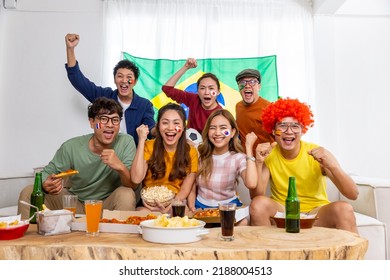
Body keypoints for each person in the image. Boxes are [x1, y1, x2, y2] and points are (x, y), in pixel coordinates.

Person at [250, 97, 358, 233]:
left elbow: (353, 194)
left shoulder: (318, 152)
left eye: (295, 126)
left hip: (316, 213)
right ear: (273, 130)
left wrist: (332, 166)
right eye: (282, 125)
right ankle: (267, 252)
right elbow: (256, 197)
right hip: (284, 213)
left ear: (303, 130)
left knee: (344, 209)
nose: (289, 131)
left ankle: (351, 254)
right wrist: (258, 163)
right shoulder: (269, 154)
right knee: (258, 203)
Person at [18, 97, 138, 219]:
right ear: (92, 122)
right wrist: (45, 184)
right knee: (28, 192)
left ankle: (120, 238)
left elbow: (132, 186)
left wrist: (120, 167)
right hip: (76, 204)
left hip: (108, 205)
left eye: (115, 120)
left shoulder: (126, 142)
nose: (110, 125)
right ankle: (30, 236)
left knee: (126, 193)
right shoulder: (71, 147)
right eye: (103, 119)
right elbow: (47, 172)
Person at [65, 33, 155, 145]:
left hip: (131, 157)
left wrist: (163, 127)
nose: (124, 81)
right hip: (105, 152)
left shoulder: (144, 105)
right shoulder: (105, 97)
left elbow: (151, 130)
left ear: (135, 81)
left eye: (129, 78)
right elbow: (77, 80)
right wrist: (70, 49)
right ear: (114, 79)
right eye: (120, 76)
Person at [130, 103, 198, 213]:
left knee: (182, 213)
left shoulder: (191, 151)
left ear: (183, 127)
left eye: (176, 123)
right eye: (165, 123)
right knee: (141, 214)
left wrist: (172, 204)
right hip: (148, 204)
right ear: (158, 126)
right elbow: (136, 178)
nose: (170, 128)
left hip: (175, 202)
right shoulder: (149, 146)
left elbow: (186, 188)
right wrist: (142, 140)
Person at [189, 109, 258, 213]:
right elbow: (191, 184)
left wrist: (249, 148)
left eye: (223, 128)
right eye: (212, 128)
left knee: (243, 222)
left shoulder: (238, 158)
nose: (217, 133)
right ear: (208, 132)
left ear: (232, 132)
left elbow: (251, 184)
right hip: (200, 208)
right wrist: (191, 207)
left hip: (229, 209)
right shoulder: (199, 153)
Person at [162, 58, 223, 137]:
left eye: (211, 88)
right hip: (189, 146)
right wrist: (186, 67)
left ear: (218, 92)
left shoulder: (220, 114)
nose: (207, 92)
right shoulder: (194, 99)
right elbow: (167, 89)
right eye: (202, 88)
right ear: (197, 91)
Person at [235, 69, 274, 154]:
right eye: (242, 82)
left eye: (252, 82)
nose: (247, 86)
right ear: (238, 87)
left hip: (266, 161)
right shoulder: (238, 107)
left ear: (259, 87)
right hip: (246, 160)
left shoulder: (269, 108)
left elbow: (280, 137)